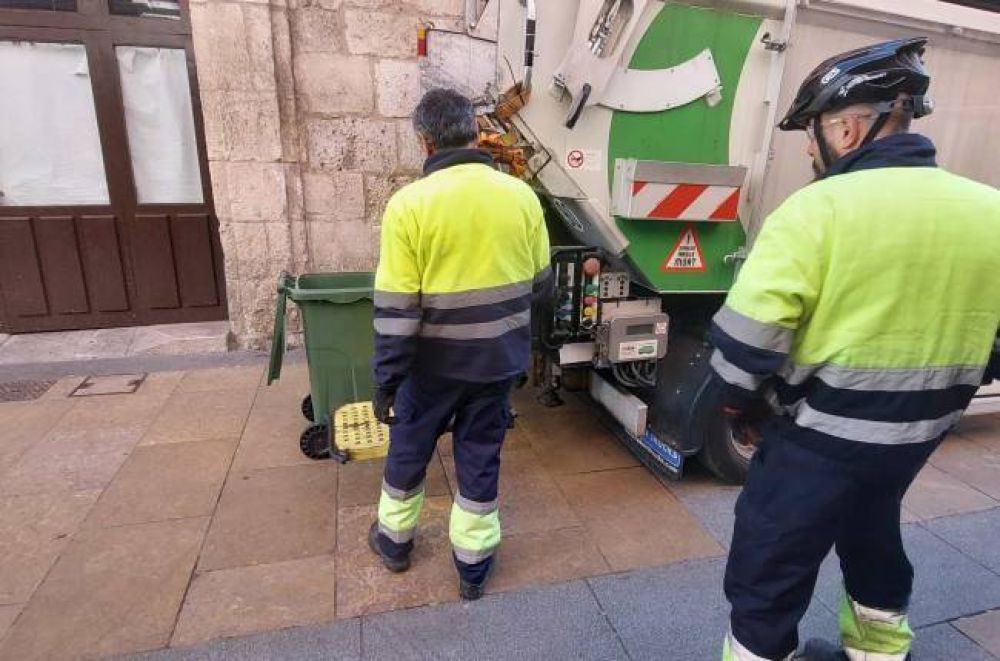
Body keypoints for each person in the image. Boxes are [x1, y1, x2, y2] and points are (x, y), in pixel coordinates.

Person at [710, 38, 1000, 660]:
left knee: (766, 575)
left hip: (812, 442)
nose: (811, 150)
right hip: (915, 441)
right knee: (872, 541)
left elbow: (743, 348)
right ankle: (879, 653)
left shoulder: (817, 210)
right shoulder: (991, 211)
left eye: (811, 134)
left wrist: (743, 411)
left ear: (844, 127)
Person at [368, 88, 551, 600]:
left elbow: (396, 311)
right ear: (474, 131)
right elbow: (542, 285)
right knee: (479, 456)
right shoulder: (521, 197)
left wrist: (386, 381)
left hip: (432, 370)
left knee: (408, 451)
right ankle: (473, 568)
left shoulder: (408, 206)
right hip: (497, 365)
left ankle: (395, 543)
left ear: (425, 141)